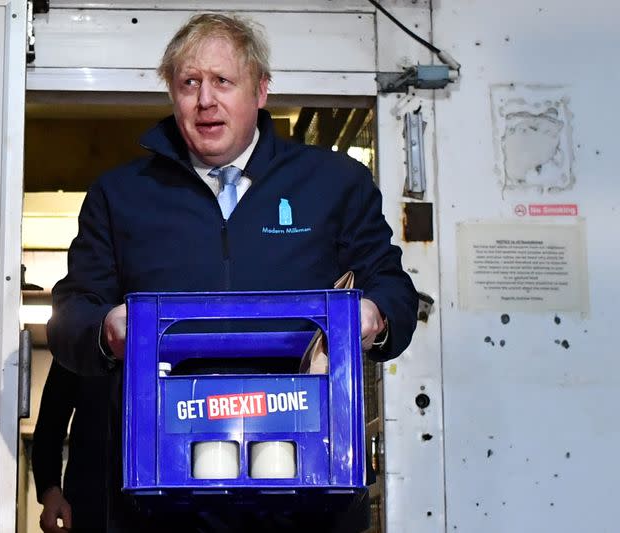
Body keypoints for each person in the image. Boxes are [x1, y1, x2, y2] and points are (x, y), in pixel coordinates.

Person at [47, 12, 418, 532]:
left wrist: (375, 317)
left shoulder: (334, 184)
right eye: (189, 83)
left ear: (261, 90)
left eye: (223, 81)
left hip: (306, 485)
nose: (205, 101)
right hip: (161, 488)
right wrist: (106, 332)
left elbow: (394, 289)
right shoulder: (120, 195)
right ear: (172, 94)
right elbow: (69, 317)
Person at [32, 360, 111, 532]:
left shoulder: (174, 335)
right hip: (90, 502)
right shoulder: (78, 336)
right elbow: (50, 423)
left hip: (167, 502)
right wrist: (49, 489)